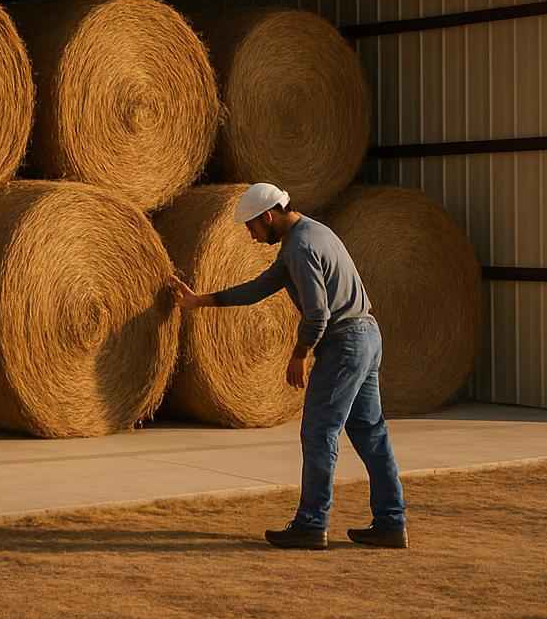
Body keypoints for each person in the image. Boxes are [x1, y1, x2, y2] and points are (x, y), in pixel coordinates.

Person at [168, 182, 408, 550]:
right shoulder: (313, 232)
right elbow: (259, 288)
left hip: (344, 342)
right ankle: (392, 522)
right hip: (367, 335)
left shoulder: (300, 246)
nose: (250, 235)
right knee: (370, 433)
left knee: (318, 433)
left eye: (251, 226)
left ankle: (311, 525)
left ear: (268, 216)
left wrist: (300, 354)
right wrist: (200, 301)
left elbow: (317, 313)